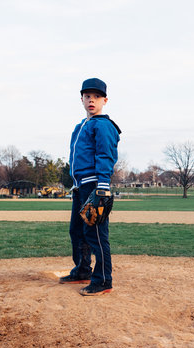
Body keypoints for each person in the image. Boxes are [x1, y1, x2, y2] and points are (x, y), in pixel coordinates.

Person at [59, 77, 121, 296]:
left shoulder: (103, 125)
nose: (91, 100)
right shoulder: (81, 126)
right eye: (87, 96)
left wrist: (102, 186)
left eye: (96, 96)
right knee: (77, 231)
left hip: (95, 185)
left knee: (95, 233)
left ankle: (103, 280)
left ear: (105, 100)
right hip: (80, 186)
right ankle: (83, 270)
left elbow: (106, 155)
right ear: (82, 99)